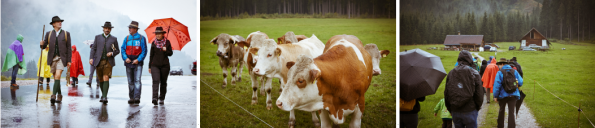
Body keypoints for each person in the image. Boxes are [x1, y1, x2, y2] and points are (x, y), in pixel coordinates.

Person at [444, 50, 483, 128]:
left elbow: (447, 93)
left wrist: (449, 108)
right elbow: (479, 94)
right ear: (470, 59)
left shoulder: (451, 73)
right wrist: (477, 107)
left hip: (455, 110)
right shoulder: (475, 73)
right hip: (470, 110)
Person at [39, 16, 72, 104]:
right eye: (57, 22)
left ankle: (53, 95)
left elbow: (69, 48)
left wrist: (69, 60)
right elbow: (44, 46)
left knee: (57, 76)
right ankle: (60, 95)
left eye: (60, 21)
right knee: (56, 78)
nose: (60, 23)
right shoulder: (48, 34)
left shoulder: (66, 33)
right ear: (53, 24)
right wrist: (41, 44)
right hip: (52, 58)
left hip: (62, 58)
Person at [90, 21, 120, 104]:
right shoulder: (97, 37)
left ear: (110, 29)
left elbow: (117, 50)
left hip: (108, 61)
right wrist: (91, 58)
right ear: (103, 29)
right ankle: (103, 95)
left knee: (105, 77)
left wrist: (112, 53)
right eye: (106, 28)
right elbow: (93, 49)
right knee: (100, 79)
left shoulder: (114, 39)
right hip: (98, 61)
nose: (107, 30)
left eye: (109, 28)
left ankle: (105, 96)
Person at [121, 21, 147, 104]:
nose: (129, 29)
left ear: (135, 29)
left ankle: (137, 97)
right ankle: (131, 97)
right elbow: (122, 49)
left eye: (131, 28)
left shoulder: (141, 38)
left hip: (138, 63)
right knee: (130, 81)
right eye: (129, 27)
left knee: (137, 80)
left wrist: (138, 60)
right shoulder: (127, 38)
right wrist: (125, 58)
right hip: (128, 62)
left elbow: (144, 51)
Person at [493, 58, 523, 128]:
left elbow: (497, 86)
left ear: (503, 64)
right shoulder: (514, 71)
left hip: (502, 96)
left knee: (501, 111)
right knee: (511, 112)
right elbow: (521, 82)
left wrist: (495, 96)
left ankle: (500, 126)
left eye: (499, 65)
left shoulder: (500, 72)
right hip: (513, 95)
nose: (499, 66)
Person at [148, 27, 173, 105]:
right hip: (155, 65)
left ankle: (161, 98)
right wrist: (149, 66)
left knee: (163, 82)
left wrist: (166, 50)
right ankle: (154, 98)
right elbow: (151, 55)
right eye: (157, 34)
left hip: (165, 66)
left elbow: (170, 53)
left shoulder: (167, 42)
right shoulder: (153, 43)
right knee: (155, 81)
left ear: (163, 34)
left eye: (159, 34)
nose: (158, 35)